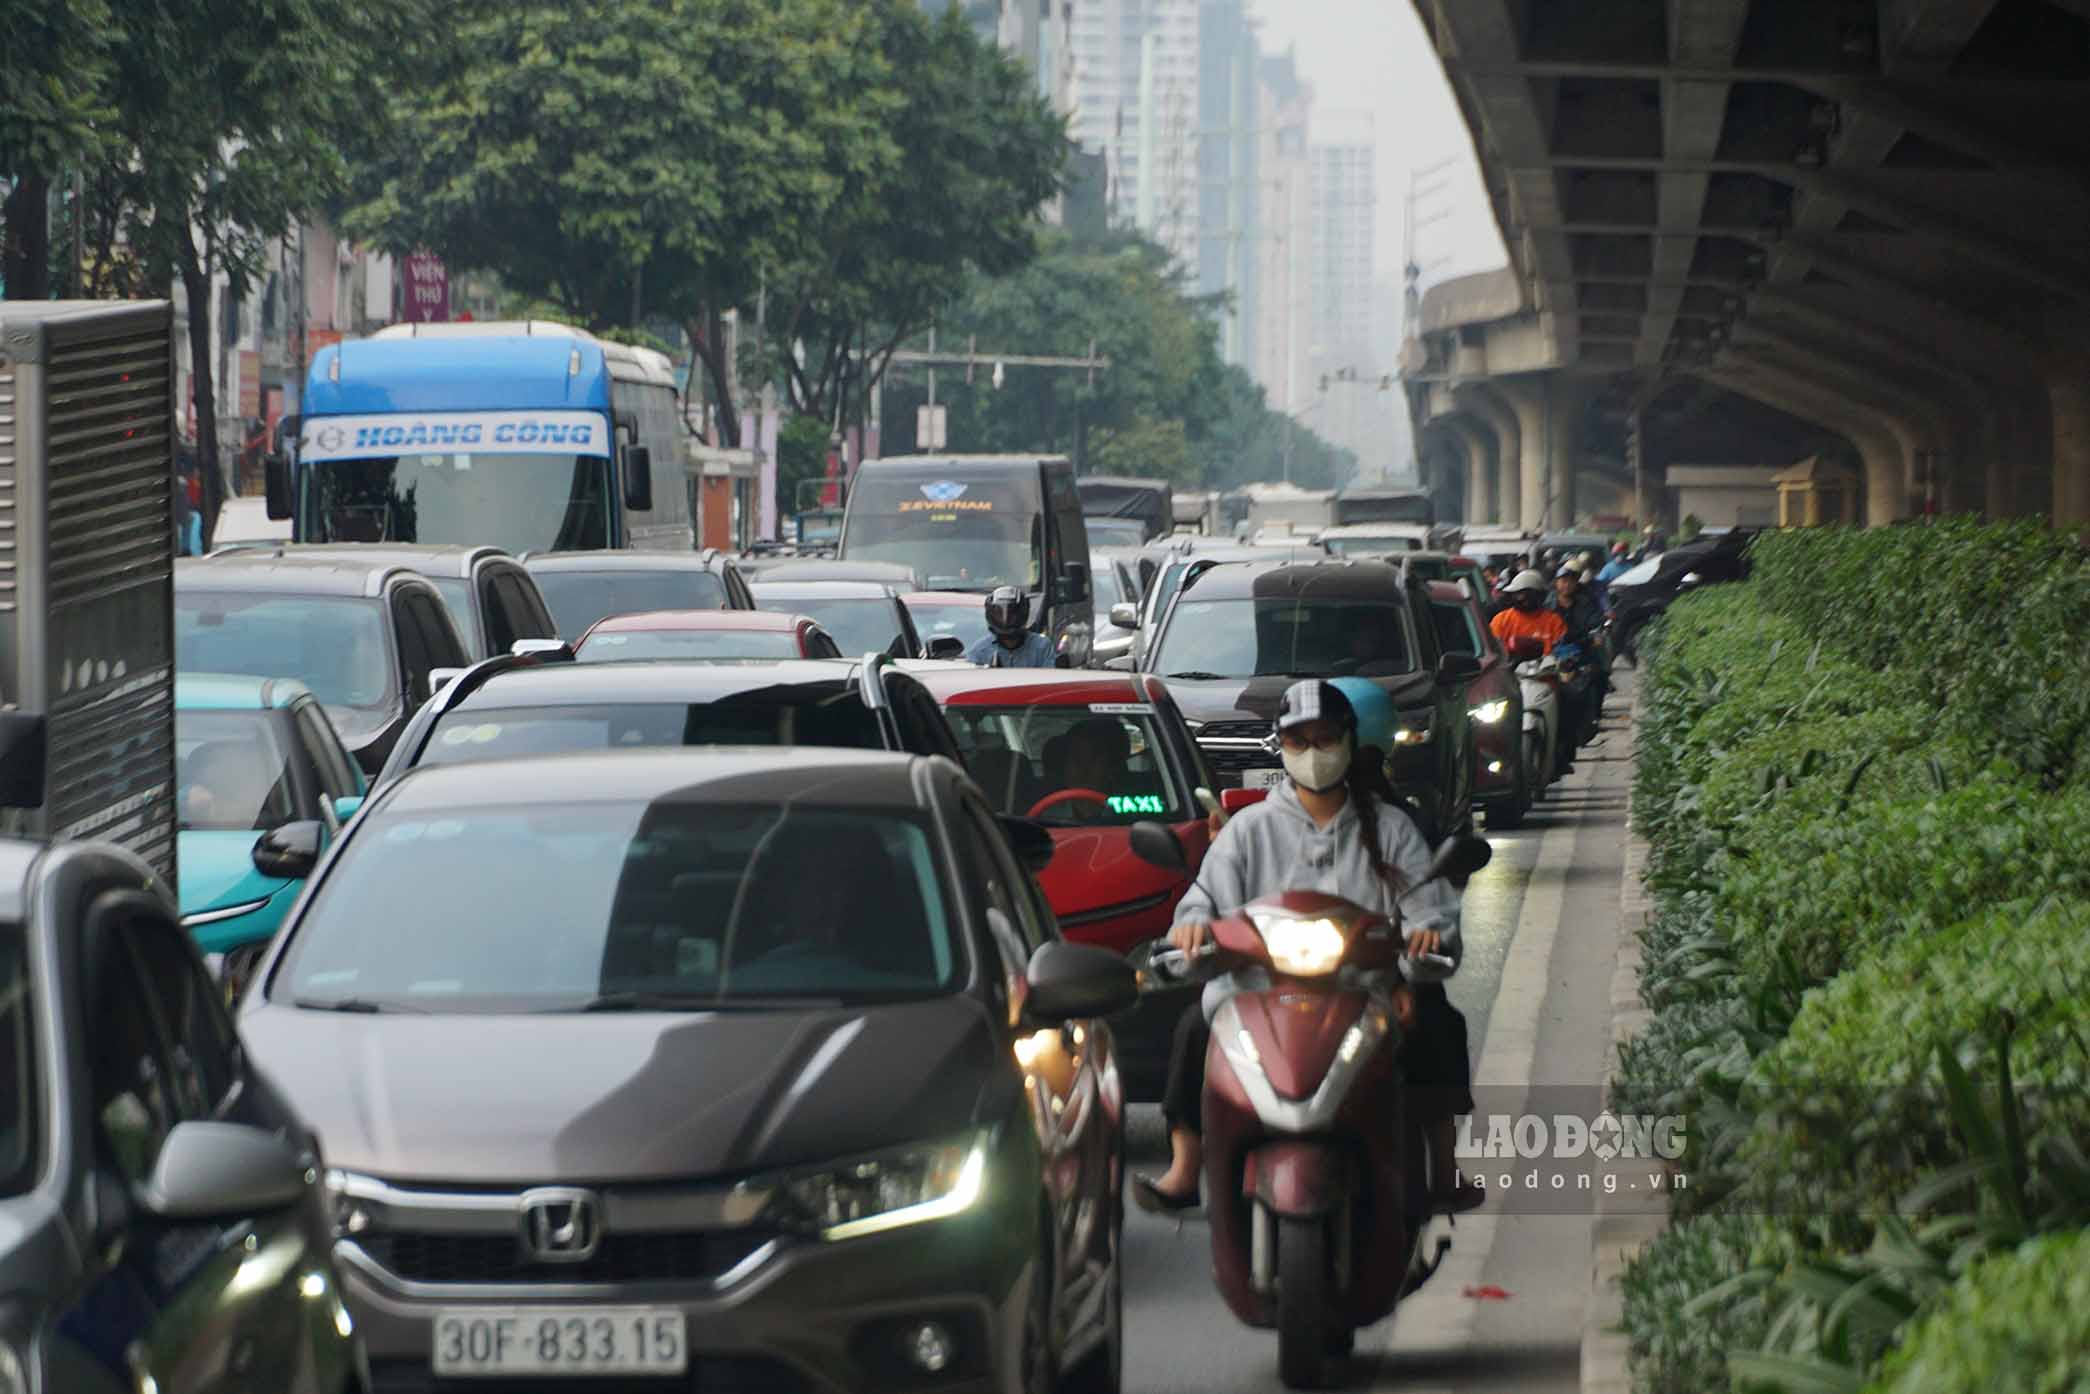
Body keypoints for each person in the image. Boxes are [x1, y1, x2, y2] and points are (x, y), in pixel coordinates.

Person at [1133, 680, 1483, 1217]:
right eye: (1299, 741)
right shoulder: (1248, 830)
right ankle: (1185, 1169)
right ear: (1282, 747)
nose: (1313, 753)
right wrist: (1193, 930)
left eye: (1324, 739)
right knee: (1193, 1031)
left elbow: (1429, 910)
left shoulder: (1393, 830)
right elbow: (1200, 901)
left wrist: (1425, 942)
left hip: (1367, 991)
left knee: (1438, 1022)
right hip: (1258, 992)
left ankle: (1443, 1163)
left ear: (1348, 742)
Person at [965, 586, 1057, 668]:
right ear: (991, 616)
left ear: (1022, 614)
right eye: (999, 614)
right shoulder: (980, 651)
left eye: (1012, 614)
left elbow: (1050, 681)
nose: (1006, 619)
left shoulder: (1042, 647)